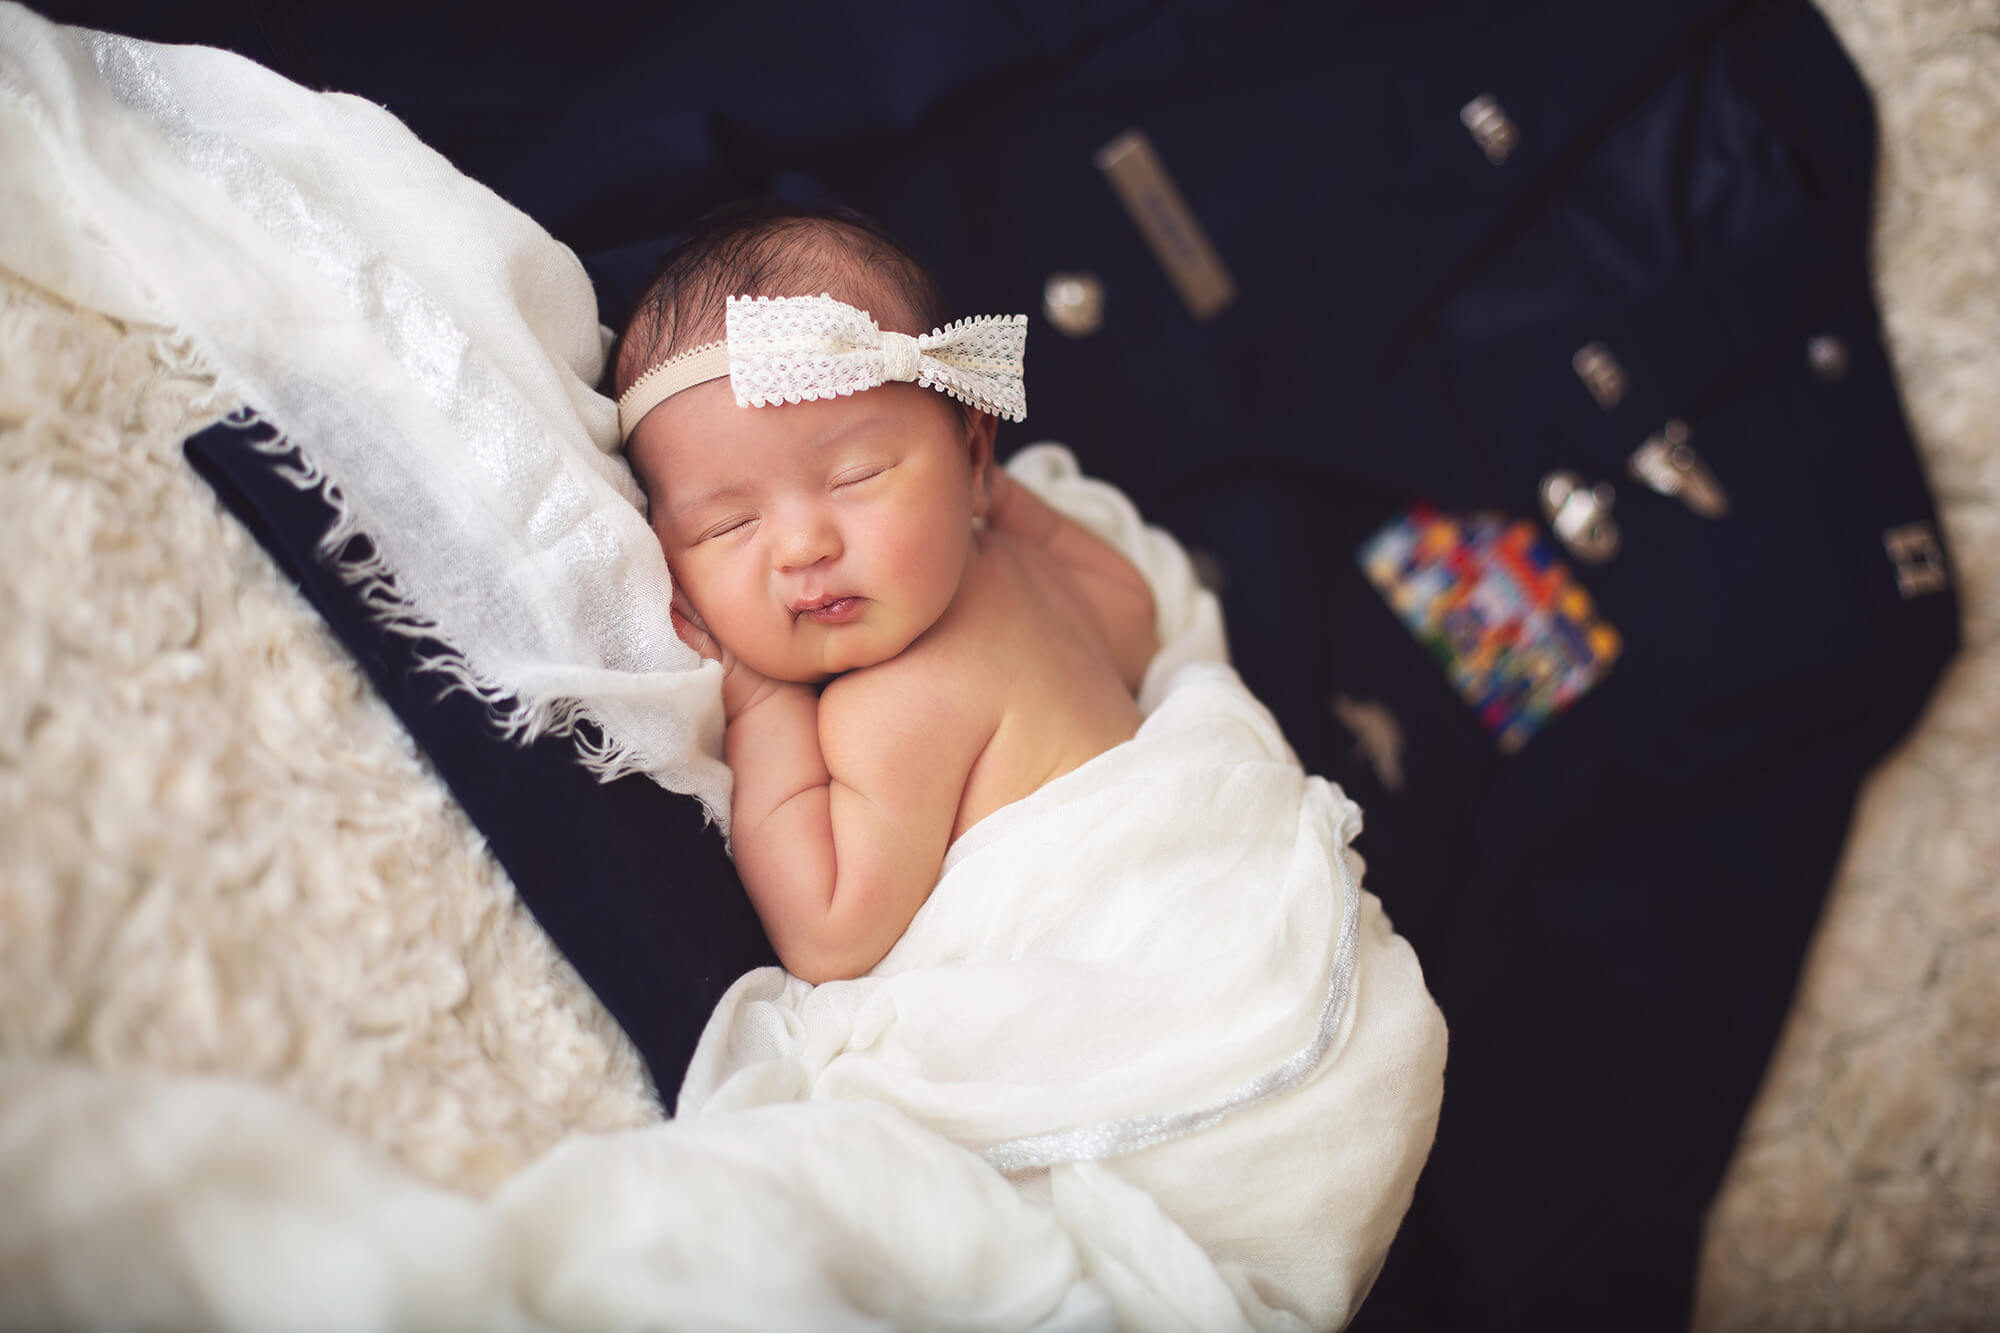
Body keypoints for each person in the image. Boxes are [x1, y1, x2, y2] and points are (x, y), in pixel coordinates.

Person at [613, 203, 1159, 983]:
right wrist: (998, 503)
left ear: (972, 451)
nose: (803, 547)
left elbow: (829, 935)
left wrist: (760, 703)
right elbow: (1139, 620)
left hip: (1112, 961)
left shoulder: (886, 714)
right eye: (729, 525)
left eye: (856, 477)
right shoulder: (1026, 570)